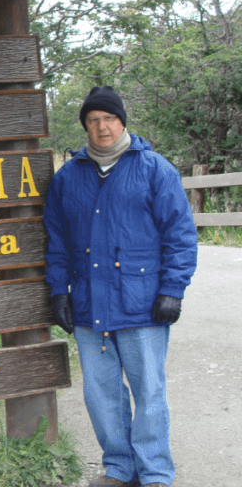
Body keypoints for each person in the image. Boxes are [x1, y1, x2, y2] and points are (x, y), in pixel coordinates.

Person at [43, 86, 198, 487]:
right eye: (93, 120)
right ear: (86, 128)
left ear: (122, 121)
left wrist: (172, 290)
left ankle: (155, 473)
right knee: (100, 393)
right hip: (89, 303)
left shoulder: (155, 169)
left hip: (142, 303)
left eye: (109, 118)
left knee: (148, 390)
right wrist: (59, 290)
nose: (102, 127)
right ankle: (119, 468)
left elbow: (180, 235)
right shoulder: (67, 177)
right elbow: (57, 240)